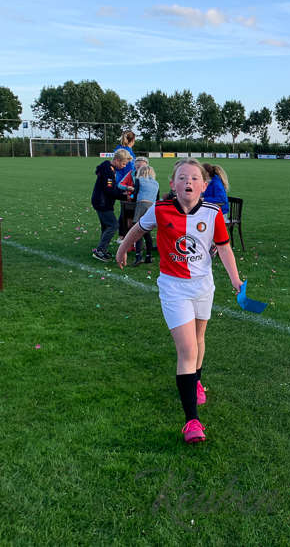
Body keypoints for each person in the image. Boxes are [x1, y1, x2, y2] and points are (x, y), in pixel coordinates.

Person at [116, 159, 244, 444]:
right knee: (187, 349)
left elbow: (224, 248)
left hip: (203, 286)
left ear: (204, 186)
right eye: (182, 177)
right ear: (173, 184)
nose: (189, 182)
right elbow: (138, 229)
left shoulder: (213, 213)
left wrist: (235, 280)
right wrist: (122, 249)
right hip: (174, 288)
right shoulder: (160, 209)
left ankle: (196, 380)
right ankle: (191, 421)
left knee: (198, 339)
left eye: (195, 178)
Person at [91, 149, 134, 262]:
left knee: (106, 226)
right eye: (123, 164)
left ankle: (102, 249)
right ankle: (100, 250)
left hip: (101, 201)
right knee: (113, 225)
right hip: (102, 202)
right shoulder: (108, 171)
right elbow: (109, 190)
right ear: (117, 160)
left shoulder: (110, 169)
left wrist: (123, 192)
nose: (124, 166)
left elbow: (112, 188)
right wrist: (124, 197)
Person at [130, 164, 159, 267]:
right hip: (152, 207)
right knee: (147, 232)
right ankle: (149, 256)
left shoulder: (139, 180)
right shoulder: (156, 183)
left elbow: (135, 193)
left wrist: (131, 198)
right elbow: (157, 198)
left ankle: (138, 256)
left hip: (142, 204)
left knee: (138, 230)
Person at [113, 131, 136, 238]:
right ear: (133, 140)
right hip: (125, 184)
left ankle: (123, 235)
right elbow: (129, 172)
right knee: (126, 210)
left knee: (125, 210)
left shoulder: (119, 150)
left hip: (118, 181)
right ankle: (122, 236)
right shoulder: (128, 154)